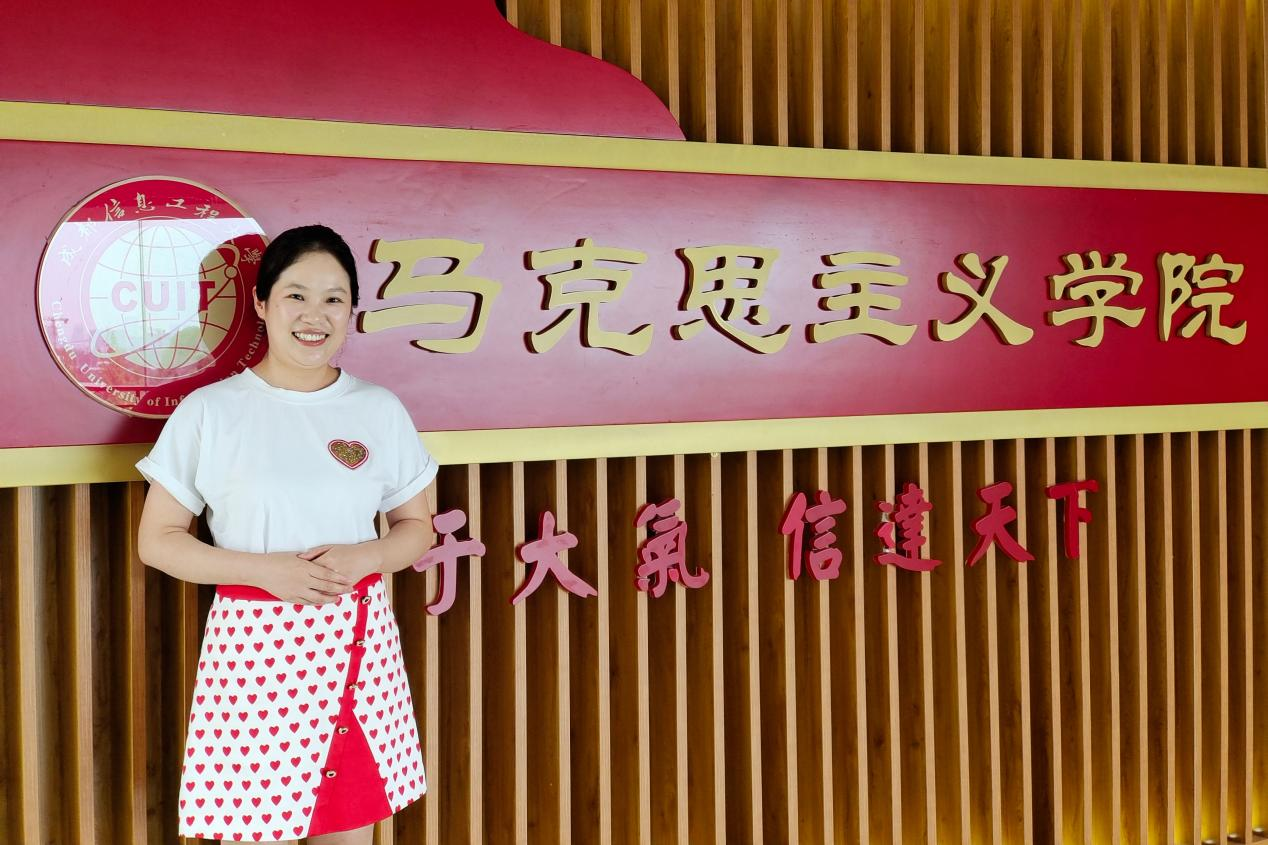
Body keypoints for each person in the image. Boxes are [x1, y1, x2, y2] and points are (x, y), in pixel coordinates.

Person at [136, 224, 436, 845]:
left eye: (334, 299)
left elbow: (416, 530)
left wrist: (366, 556)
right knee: (254, 827)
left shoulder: (379, 409)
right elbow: (158, 540)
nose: (314, 315)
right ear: (262, 303)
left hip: (355, 640)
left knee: (347, 829)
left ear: (351, 312)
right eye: (296, 295)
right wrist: (265, 570)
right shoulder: (211, 411)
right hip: (255, 653)